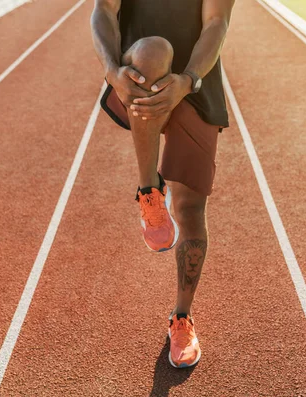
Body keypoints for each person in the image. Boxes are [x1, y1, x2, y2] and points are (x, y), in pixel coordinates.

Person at [91, 0, 235, 368]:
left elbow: (216, 22)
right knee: (154, 50)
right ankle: (148, 189)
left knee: (190, 209)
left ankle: (181, 318)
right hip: (139, 76)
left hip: (194, 81)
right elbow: (103, 11)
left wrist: (187, 81)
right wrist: (111, 71)